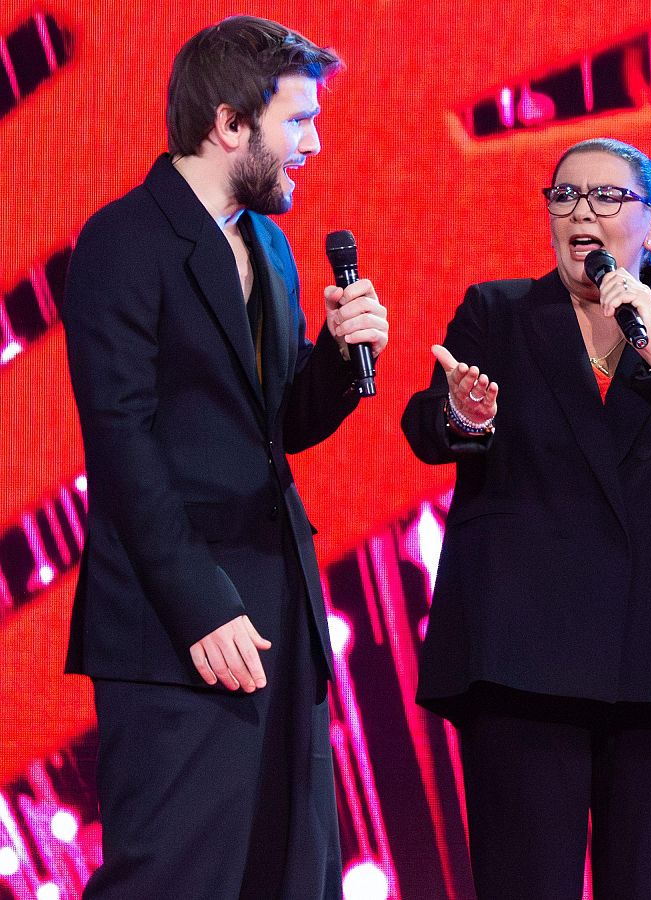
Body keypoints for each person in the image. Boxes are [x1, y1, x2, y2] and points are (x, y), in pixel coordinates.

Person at [60, 16, 388, 899]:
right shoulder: (123, 240)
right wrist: (202, 606)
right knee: (174, 873)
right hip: (175, 618)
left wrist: (337, 360)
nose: (313, 145)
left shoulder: (266, 244)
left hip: (279, 603)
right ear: (230, 125)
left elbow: (272, 426)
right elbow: (121, 443)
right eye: (298, 121)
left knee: (285, 870)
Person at [401, 137, 651, 899]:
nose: (583, 213)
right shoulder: (498, 312)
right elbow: (429, 425)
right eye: (566, 196)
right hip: (521, 654)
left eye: (608, 197)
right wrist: (465, 415)